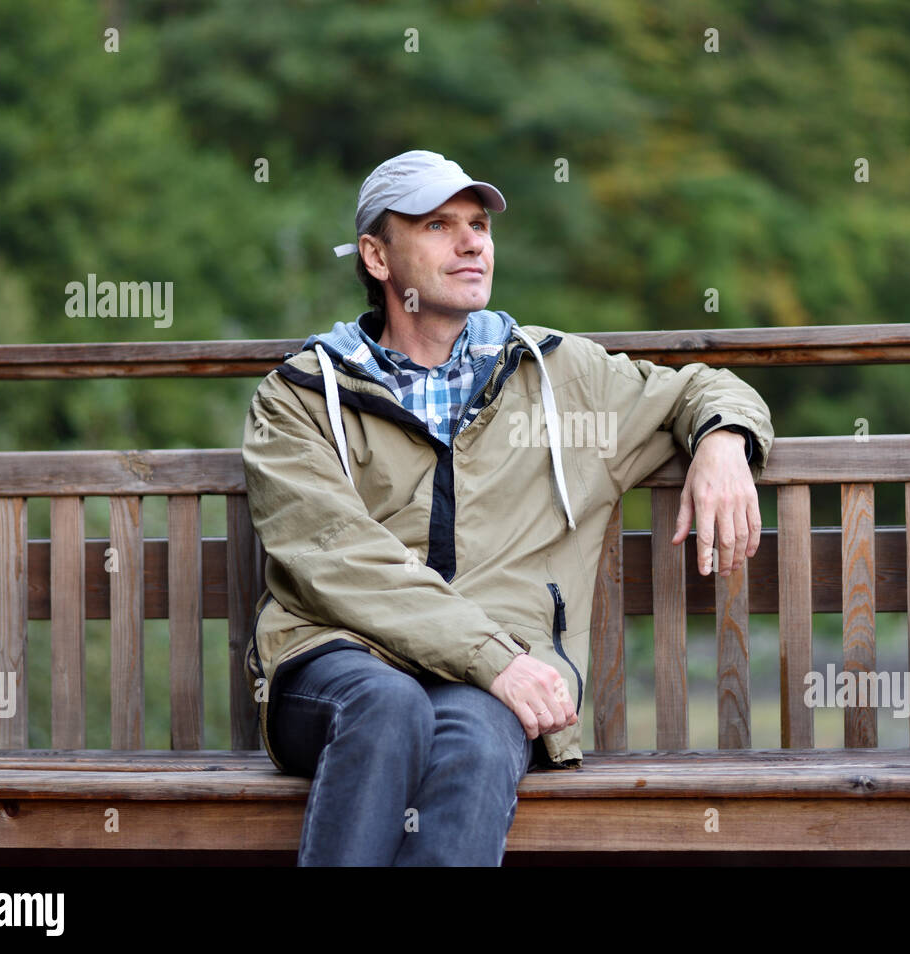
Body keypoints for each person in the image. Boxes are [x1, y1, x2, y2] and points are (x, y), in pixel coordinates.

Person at [240, 149, 774, 866]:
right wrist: (497, 660)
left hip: (489, 685)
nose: (471, 242)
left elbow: (704, 388)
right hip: (340, 661)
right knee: (390, 707)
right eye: (437, 225)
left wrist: (725, 441)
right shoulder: (298, 398)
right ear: (376, 255)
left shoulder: (559, 377)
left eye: (478, 225)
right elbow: (336, 556)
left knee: (477, 736)